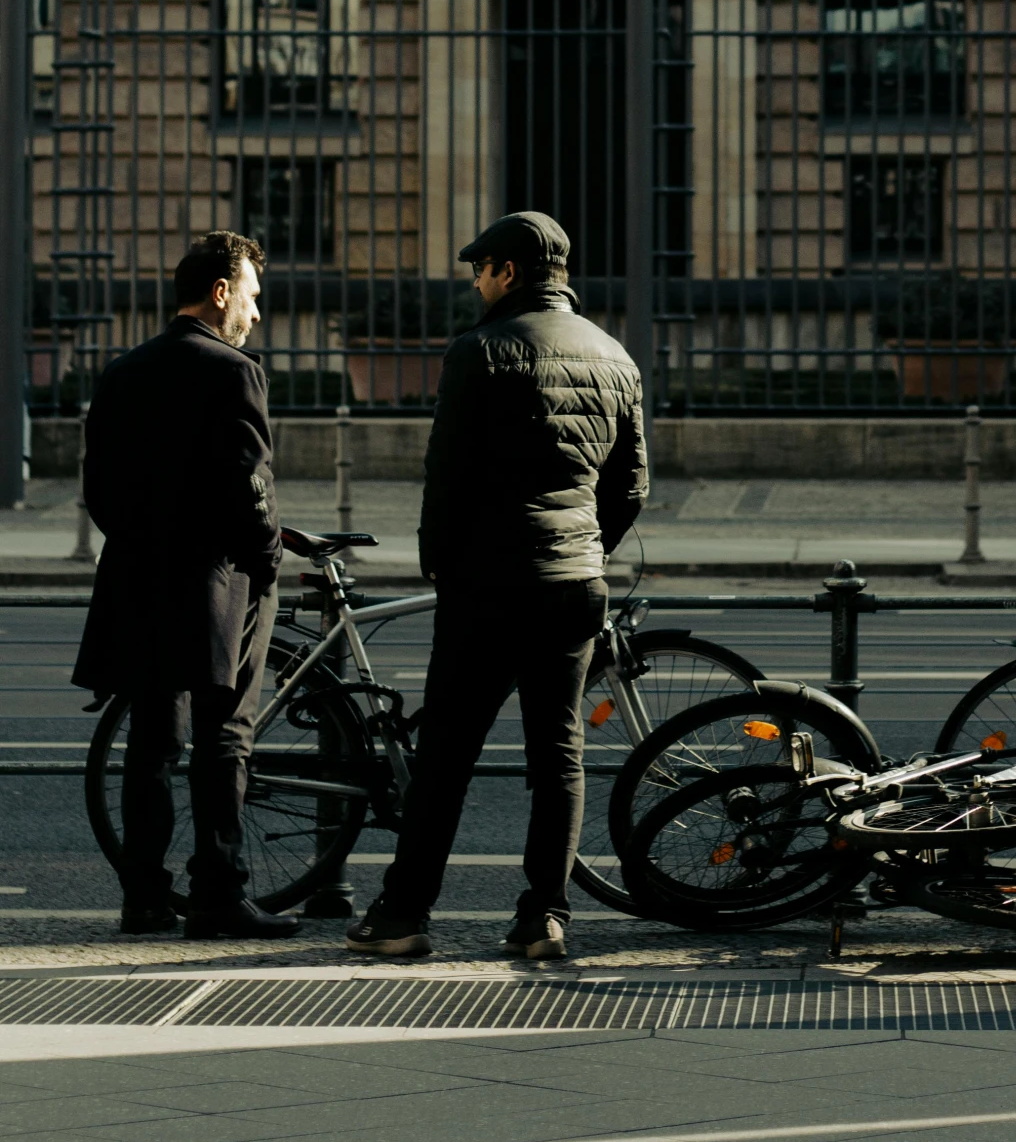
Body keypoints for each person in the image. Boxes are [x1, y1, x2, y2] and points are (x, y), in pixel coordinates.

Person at [347, 210, 648, 963]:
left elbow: (444, 477)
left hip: (489, 580)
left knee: (446, 755)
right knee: (559, 754)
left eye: (480, 270)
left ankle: (403, 915)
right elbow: (632, 488)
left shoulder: (479, 352)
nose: (476, 283)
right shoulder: (615, 356)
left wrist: (443, 563)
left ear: (507, 273)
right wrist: (583, 546)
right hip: (574, 581)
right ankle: (543, 917)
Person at [72, 230, 299, 941]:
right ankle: (219, 894)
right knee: (224, 736)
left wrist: (143, 539)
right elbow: (250, 484)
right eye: (252, 298)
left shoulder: (124, 369)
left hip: (138, 574)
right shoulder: (232, 371)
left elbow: (98, 489)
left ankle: (143, 895)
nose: (256, 315)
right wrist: (265, 556)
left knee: (151, 743)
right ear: (222, 291)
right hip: (215, 583)